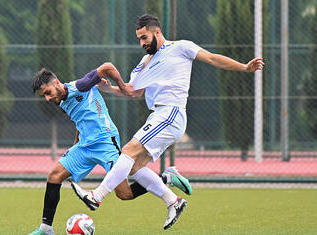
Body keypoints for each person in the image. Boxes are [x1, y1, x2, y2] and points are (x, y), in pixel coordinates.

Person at [70, 14, 265, 230]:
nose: (142, 43)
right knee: (133, 166)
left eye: (144, 37)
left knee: (127, 151)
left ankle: (96, 196)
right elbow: (133, 92)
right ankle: (173, 201)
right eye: (139, 39)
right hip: (158, 116)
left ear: (157, 32)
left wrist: (244, 67)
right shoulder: (145, 61)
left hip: (171, 113)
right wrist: (108, 89)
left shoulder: (181, 47)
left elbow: (212, 58)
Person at [28, 63, 192, 235]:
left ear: (57, 83)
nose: (47, 98)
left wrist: (123, 87)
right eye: (44, 96)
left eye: (48, 93)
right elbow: (82, 116)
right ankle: (46, 229)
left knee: (124, 193)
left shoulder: (80, 86)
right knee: (54, 176)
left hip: (106, 142)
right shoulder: (61, 101)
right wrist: (77, 139)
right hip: (84, 146)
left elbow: (107, 67)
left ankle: (166, 178)